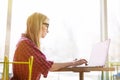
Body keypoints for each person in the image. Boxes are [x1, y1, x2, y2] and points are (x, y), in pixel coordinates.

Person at [10, 12, 88, 80]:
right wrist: (73, 63)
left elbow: (46, 64)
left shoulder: (25, 42)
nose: (48, 30)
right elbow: (48, 66)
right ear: (38, 24)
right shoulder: (25, 44)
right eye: (47, 25)